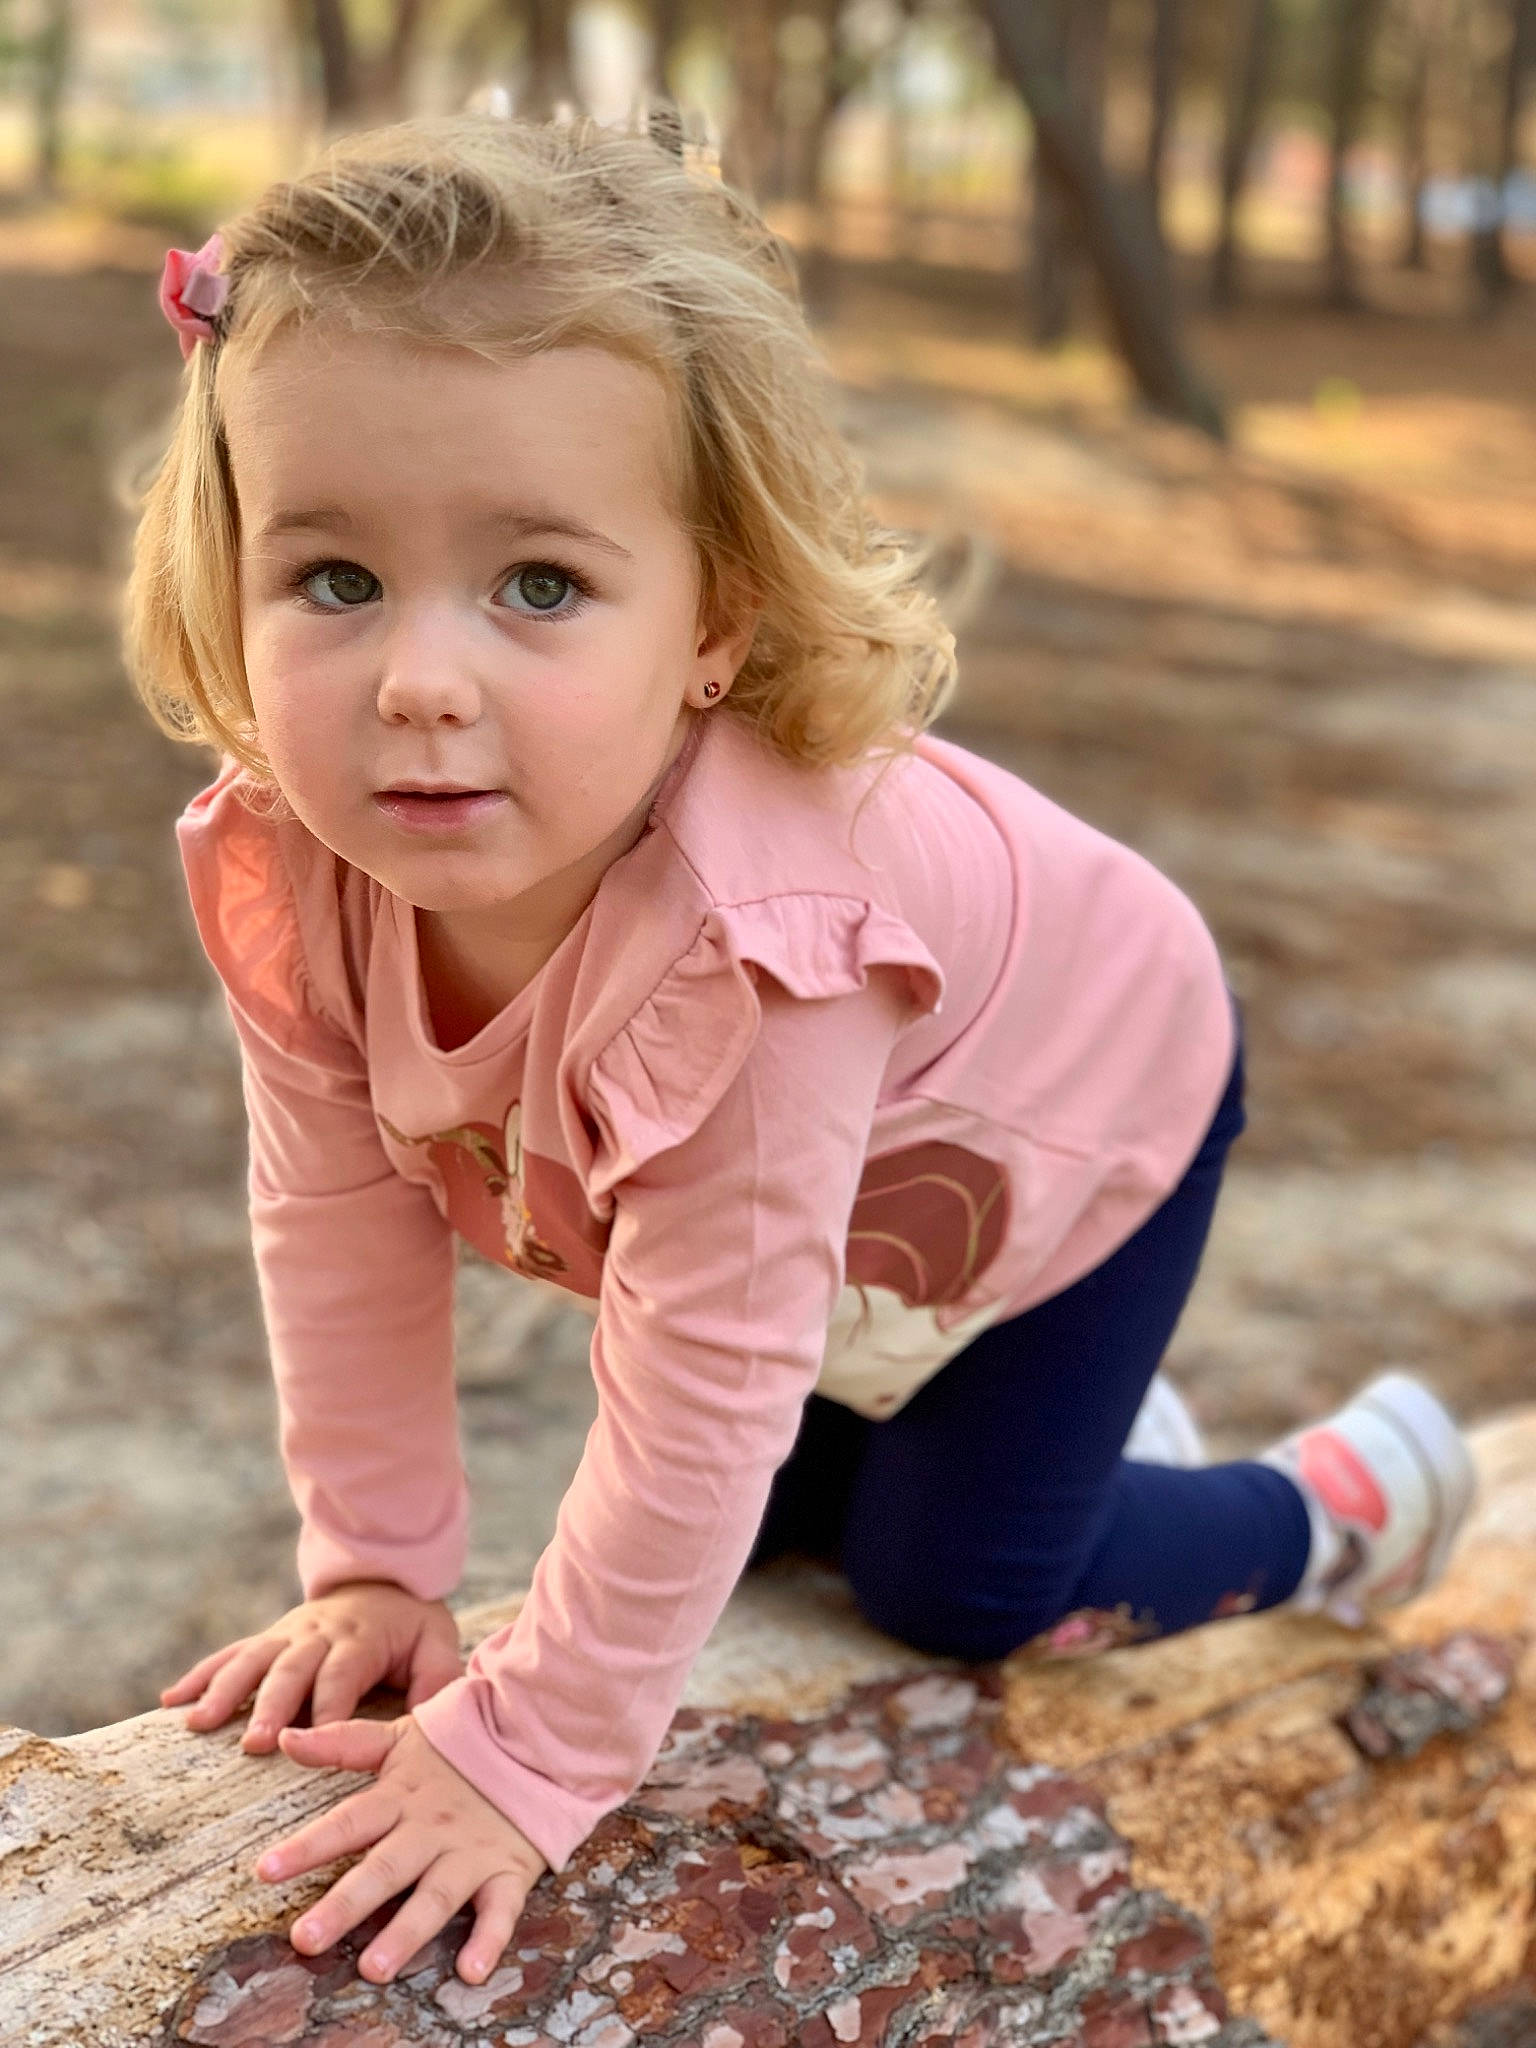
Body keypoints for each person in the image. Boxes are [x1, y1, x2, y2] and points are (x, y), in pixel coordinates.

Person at [126, 109, 1475, 1993]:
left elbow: (707, 1369)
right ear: (235, 580)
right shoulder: (301, 863)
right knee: (770, 1530)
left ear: (712, 621)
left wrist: (531, 1758)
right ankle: (1041, 1431)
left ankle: (1342, 1501)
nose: (422, 680)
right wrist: (373, 1568)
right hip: (828, 1221)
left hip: (1082, 1110)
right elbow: (333, 1216)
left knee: (952, 1587)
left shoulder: (762, 952)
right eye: (335, 581)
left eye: (538, 587)